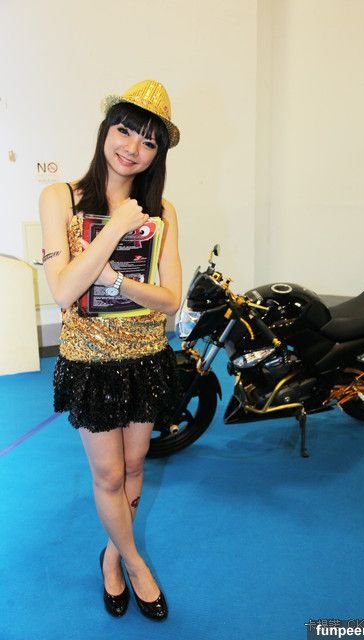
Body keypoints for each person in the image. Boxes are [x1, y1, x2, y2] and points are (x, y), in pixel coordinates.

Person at [39, 80, 182, 621]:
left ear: (157, 154)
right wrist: (117, 226)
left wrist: (119, 283)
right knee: (108, 476)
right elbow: (62, 290)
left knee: (136, 465)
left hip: (145, 355)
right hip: (91, 361)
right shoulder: (61, 198)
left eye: (148, 141)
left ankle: (111, 554)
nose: (132, 148)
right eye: (125, 130)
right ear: (106, 130)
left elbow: (170, 299)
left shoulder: (162, 211)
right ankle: (133, 563)